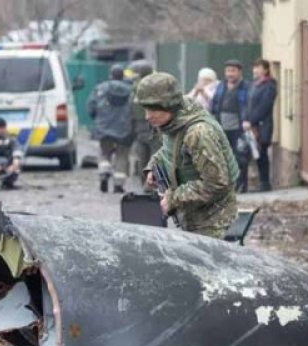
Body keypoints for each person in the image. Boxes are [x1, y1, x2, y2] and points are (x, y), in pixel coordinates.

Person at [136, 72, 239, 238]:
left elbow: (216, 184)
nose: (147, 116)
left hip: (213, 223)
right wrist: (153, 167)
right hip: (194, 217)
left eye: (153, 109)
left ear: (168, 105)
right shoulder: (174, 122)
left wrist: (172, 199)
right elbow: (172, 150)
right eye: (145, 109)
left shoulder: (198, 133)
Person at [87, 64, 133, 194]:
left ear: (110, 75)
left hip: (104, 127)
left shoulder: (100, 89)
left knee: (104, 153)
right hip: (125, 129)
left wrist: (97, 119)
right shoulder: (131, 90)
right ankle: (118, 185)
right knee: (122, 155)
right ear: (122, 75)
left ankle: (104, 173)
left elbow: (91, 107)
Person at [210, 59, 250, 192]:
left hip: (239, 128)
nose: (230, 74)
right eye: (228, 71)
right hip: (222, 127)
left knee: (240, 157)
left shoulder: (246, 86)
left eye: (233, 71)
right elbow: (214, 104)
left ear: (239, 72)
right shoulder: (221, 85)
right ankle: (228, 185)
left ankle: (241, 185)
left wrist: (246, 120)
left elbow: (248, 106)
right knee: (224, 158)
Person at [125, 59, 160, 188]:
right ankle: (150, 186)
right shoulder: (156, 88)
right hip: (154, 128)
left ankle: (145, 185)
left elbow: (130, 110)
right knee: (155, 158)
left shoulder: (135, 89)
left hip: (140, 129)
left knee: (142, 159)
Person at [246, 58, 278, 192]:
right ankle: (260, 181)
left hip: (262, 125)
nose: (255, 70)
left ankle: (265, 182)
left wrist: (252, 121)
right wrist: (246, 119)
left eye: (258, 67)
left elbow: (264, 106)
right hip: (251, 125)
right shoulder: (254, 85)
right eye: (254, 67)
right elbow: (249, 105)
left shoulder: (269, 85)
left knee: (262, 153)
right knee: (256, 154)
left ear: (265, 70)